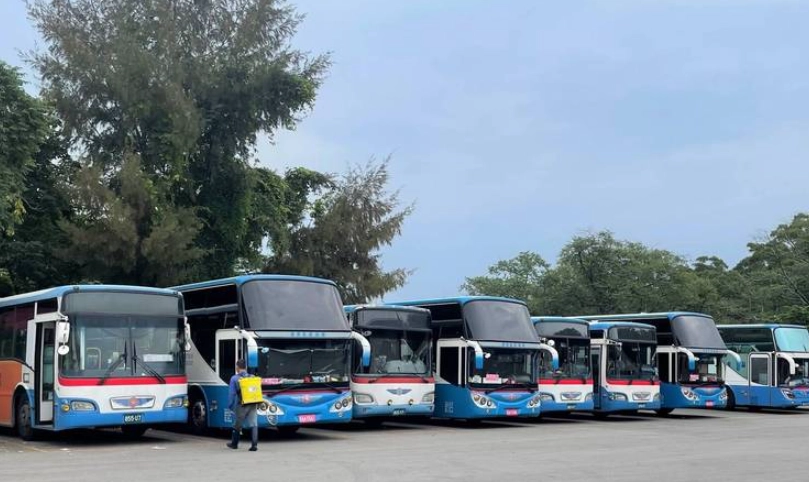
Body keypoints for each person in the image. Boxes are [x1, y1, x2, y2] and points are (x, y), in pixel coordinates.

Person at [226, 359, 259, 451]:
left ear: (237, 367)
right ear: (245, 367)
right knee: (254, 423)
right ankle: (254, 445)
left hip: (242, 404)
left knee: (237, 424)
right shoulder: (252, 376)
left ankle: (234, 444)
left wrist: (230, 405)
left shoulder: (234, 378)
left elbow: (232, 394)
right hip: (252, 402)